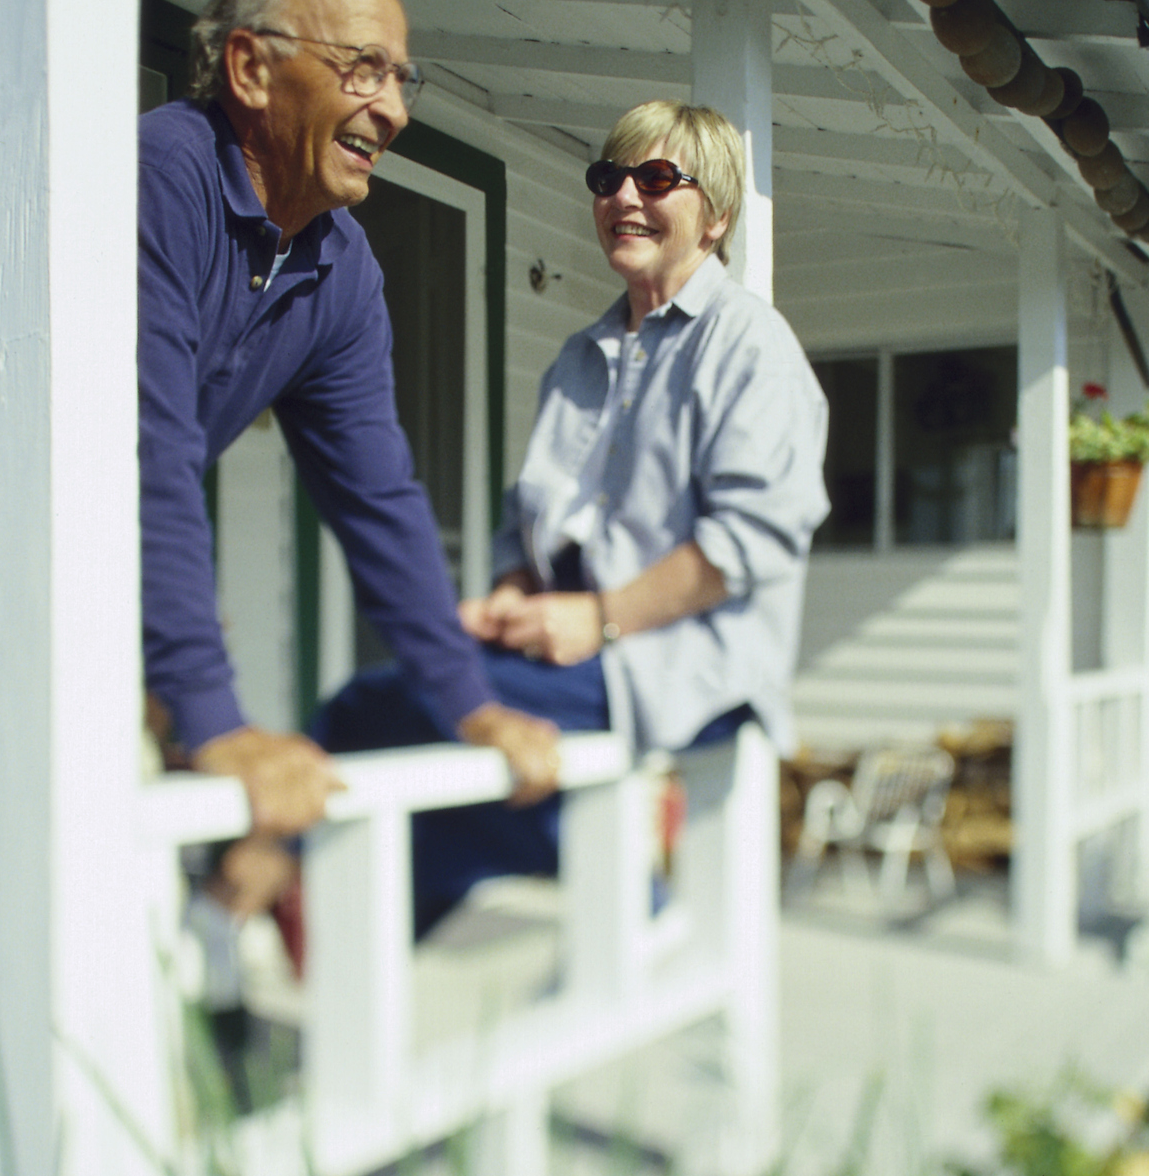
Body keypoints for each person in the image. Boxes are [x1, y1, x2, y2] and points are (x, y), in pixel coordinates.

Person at [0, 0, 560, 1123]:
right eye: (363, 69)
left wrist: (469, 700)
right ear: (250, 69)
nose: (392, 108)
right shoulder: (154, 175)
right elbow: (136, 449)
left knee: (120, 884)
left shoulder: (339, 270)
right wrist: (211, 718)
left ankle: (114, 1136)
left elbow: (379, 494)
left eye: (404, 78)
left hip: (63, 558)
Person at [304, 99, 829, 934]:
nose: (624, 196)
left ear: (716, 215)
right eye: (607, 178)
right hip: (575, 652)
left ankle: (261, 922)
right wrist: (515, 592)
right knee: (421, 707)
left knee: (383, 704)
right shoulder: (580, 358)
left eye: (656, 179)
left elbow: (750, 540)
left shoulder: (749, 348)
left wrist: (600, 617)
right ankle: (373, 958)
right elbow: (529, 524)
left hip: (689, 666)